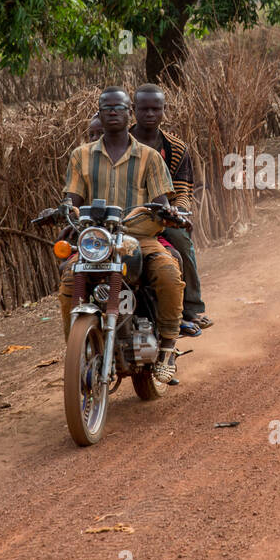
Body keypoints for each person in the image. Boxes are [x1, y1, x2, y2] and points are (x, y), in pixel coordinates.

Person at [60, 87, 186, 384]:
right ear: (99, 113)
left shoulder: (150, 157)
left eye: (119, 108)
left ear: (129, 112)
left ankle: (168, 349)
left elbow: (162, 200)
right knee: (68, 278)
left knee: (168, 272)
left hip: (138, 237)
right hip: (95, 240)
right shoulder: (80, 156)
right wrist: (65, 210)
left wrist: (168, 212)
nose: (113, 112)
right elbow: (72, 198)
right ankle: (77, 352)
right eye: (107, 108)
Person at [130, 83, 212, 337]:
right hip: (126, 215)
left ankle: (191, 307)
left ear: (165, 110)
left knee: (181, 243)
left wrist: (177, 213)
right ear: (134, 110)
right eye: (144, 109)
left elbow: (183, 187)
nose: (150, 114)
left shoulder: (175, 148)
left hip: (161, 213)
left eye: (156, 109)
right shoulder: (122, 143)